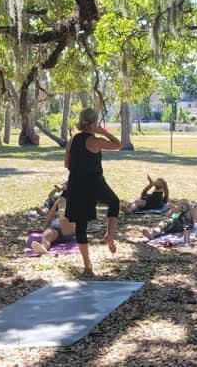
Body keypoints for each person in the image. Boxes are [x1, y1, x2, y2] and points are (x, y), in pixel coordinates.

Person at [64, 108, 123, 276]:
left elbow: (66, 164)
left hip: (76, 183)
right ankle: (109, 235)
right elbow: (118, 145)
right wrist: (102, 131)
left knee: (80, 225)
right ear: (94, 123)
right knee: (114, 202)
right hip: (94, 182)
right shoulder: (94, 141)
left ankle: (87, 264)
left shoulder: (72, 140)